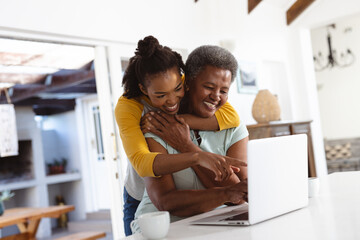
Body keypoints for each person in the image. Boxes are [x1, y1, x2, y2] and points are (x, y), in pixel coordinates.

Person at [114, 36, 246, 236]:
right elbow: (145, 167)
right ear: (190, 83)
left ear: (182, 82)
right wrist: (197, 156)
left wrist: (182, 129)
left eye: (224, 91)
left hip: (202, 215)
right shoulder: (134, 110)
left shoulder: (182, 103)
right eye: (209, 87)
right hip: (140, 192)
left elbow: (234, 118)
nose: (171, 100)